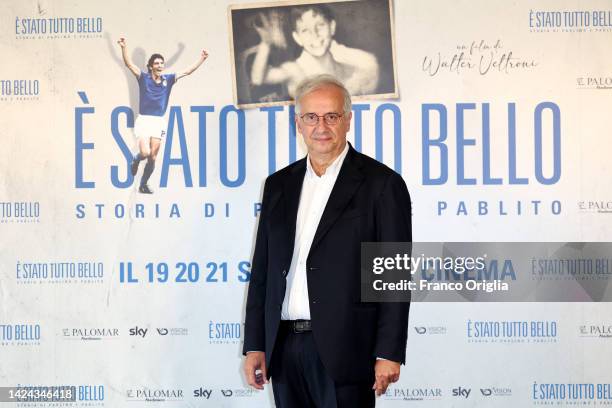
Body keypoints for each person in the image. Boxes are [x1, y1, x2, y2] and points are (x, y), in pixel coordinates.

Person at [243, 75, 411, 407]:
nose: (321, 126)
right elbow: (262, 271)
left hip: (347, 352)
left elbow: (392, 277)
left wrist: (388, 352)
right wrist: (255, 345)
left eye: (331, 116)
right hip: (285, 349)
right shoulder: (278, 185)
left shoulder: (381, 184)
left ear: (348, 120)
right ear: (298, 124)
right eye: (311, 117)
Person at [117, 38, 208, 193]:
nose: (160, 66)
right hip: (144, 120)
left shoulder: (169, 79)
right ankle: (136, 159)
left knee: (153, 157)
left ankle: (143, 184)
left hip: (158, 122)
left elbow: (187, 71)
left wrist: (202, 59)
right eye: (157, 63)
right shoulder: (143, 78)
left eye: (162, 63)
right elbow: (129, 64)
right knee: (145, 153)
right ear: (151, 66)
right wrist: (124, 48)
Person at [250, 5, 379, 99]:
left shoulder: (358, 66)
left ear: (332, 27)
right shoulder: (295, 70)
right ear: (297, 38)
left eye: (320, 25)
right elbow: (257, 78)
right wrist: (266, 43)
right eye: (305, 30)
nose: (314, 34)